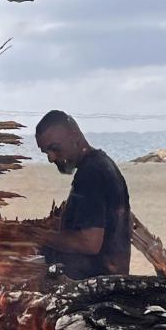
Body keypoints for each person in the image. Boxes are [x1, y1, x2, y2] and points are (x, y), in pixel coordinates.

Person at [34, 110, 131, 279]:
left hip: (96, 283)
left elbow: (89, 243)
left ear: (74, 134)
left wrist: (40, 236)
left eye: (54, 148)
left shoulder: (91, 173)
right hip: (110, 277)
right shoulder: (102, 163)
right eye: (45, 152)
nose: (50, 158)